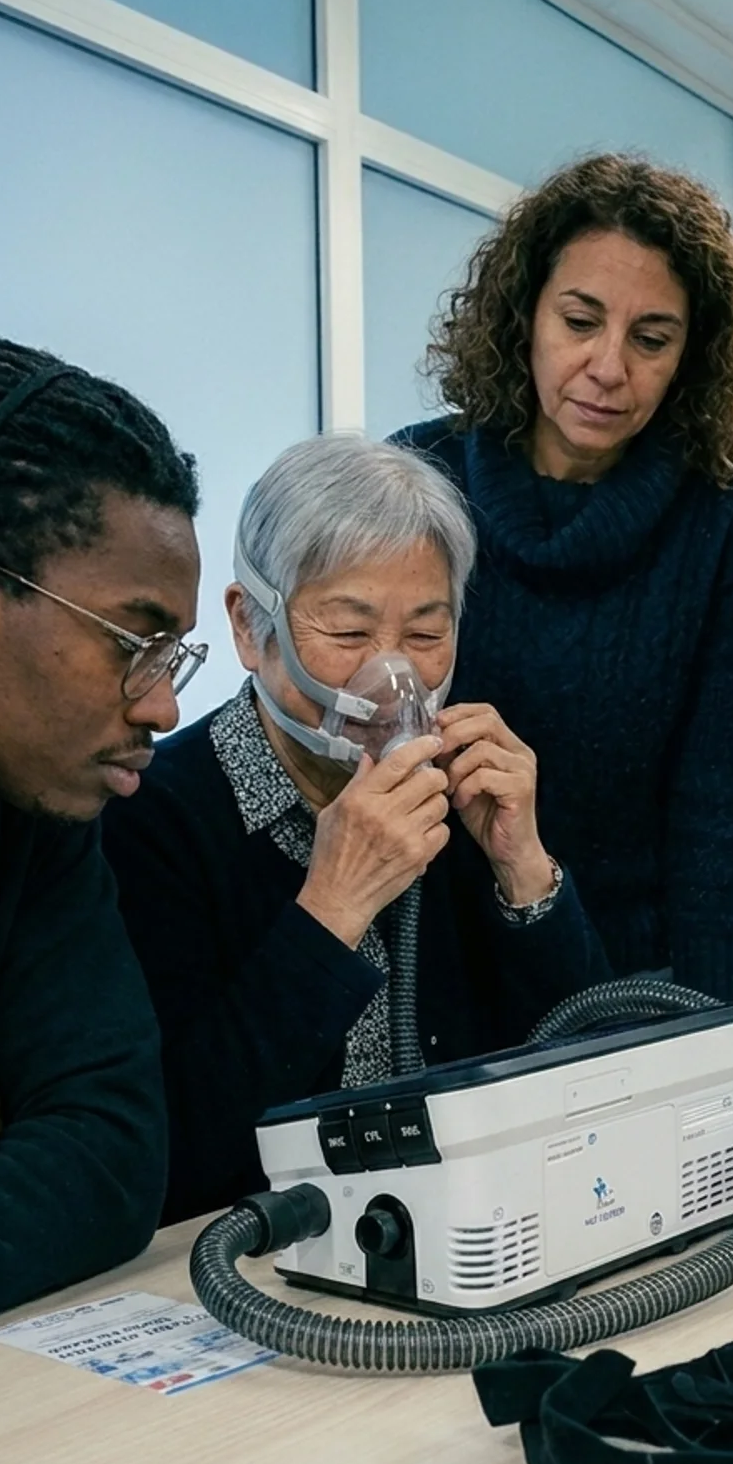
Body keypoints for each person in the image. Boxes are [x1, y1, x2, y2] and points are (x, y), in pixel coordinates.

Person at [102, 433, 609, 1223]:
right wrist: (331, 909)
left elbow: (589, 1079)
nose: (392, 674)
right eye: (347, 633)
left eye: (425, 632)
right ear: (248, 626)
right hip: (254, 1269)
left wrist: (526, 873)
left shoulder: (470, 798)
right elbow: (171, 1154)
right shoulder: (153, 820)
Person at [0, 337, 203, 1348]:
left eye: (173, 653)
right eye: (129, 639)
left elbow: (110, 1164)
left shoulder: (41, 815)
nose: (161, 705)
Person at [393, 151, 733, 1003]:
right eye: (580, 322)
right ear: (524, 316)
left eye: (652, 339)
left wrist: (710, 1025)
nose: (610, 367)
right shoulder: (419, 474)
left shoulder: (731, 508)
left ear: (692, 353)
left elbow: (723, 797)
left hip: (631, 974)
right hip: (435, 968)